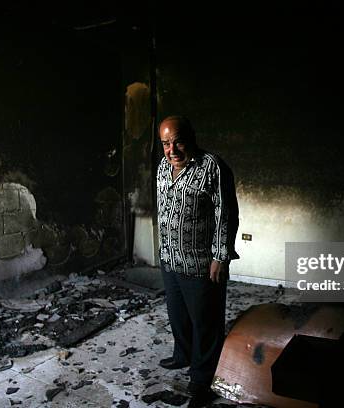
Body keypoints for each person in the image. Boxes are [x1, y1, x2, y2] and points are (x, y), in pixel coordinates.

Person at [155, 115, 239, 407]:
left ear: (191, 136)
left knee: (206, 322)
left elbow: (225, 215)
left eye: (177, 141)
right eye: (165, 143)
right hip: (170, 258)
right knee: (178, 315)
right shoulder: (164, 167)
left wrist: (220, 256)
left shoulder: (212, 167)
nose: (172, 150)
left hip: (201, 263)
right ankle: (183, 355)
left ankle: (203, 377)